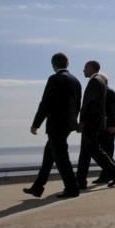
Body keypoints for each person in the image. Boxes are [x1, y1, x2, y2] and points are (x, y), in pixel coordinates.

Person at [24, 52, 82, 198]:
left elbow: (46, 103)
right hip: (68, 124)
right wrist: (74, 122)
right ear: (67, 64)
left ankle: (72, 188)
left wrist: (36, 124)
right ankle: (37, 187)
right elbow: (77, 104)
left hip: (56, 124)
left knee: (61, 157)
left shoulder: (55, 79)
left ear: (53, 65)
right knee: (49, 155)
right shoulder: (76, 81)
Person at [76, 60, 115, 188]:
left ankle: (114, 171)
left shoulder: (96, 82)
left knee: (95, 150)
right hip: (96, 124)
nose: (83, 70)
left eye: (85, 67)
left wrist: (83, 121)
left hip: (94, 124)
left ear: (92, 68)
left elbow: (94, 106)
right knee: (88, 151)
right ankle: (81, 180)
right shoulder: (97, 83)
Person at [92, 73, 115, 185]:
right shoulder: (102, 92)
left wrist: (112, 125)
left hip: (108, 127)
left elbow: (112, 110)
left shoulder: (109, 92)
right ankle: (108, 174)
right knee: (104, 151)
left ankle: (110, 174)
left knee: (107, 151)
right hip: (102, 126)